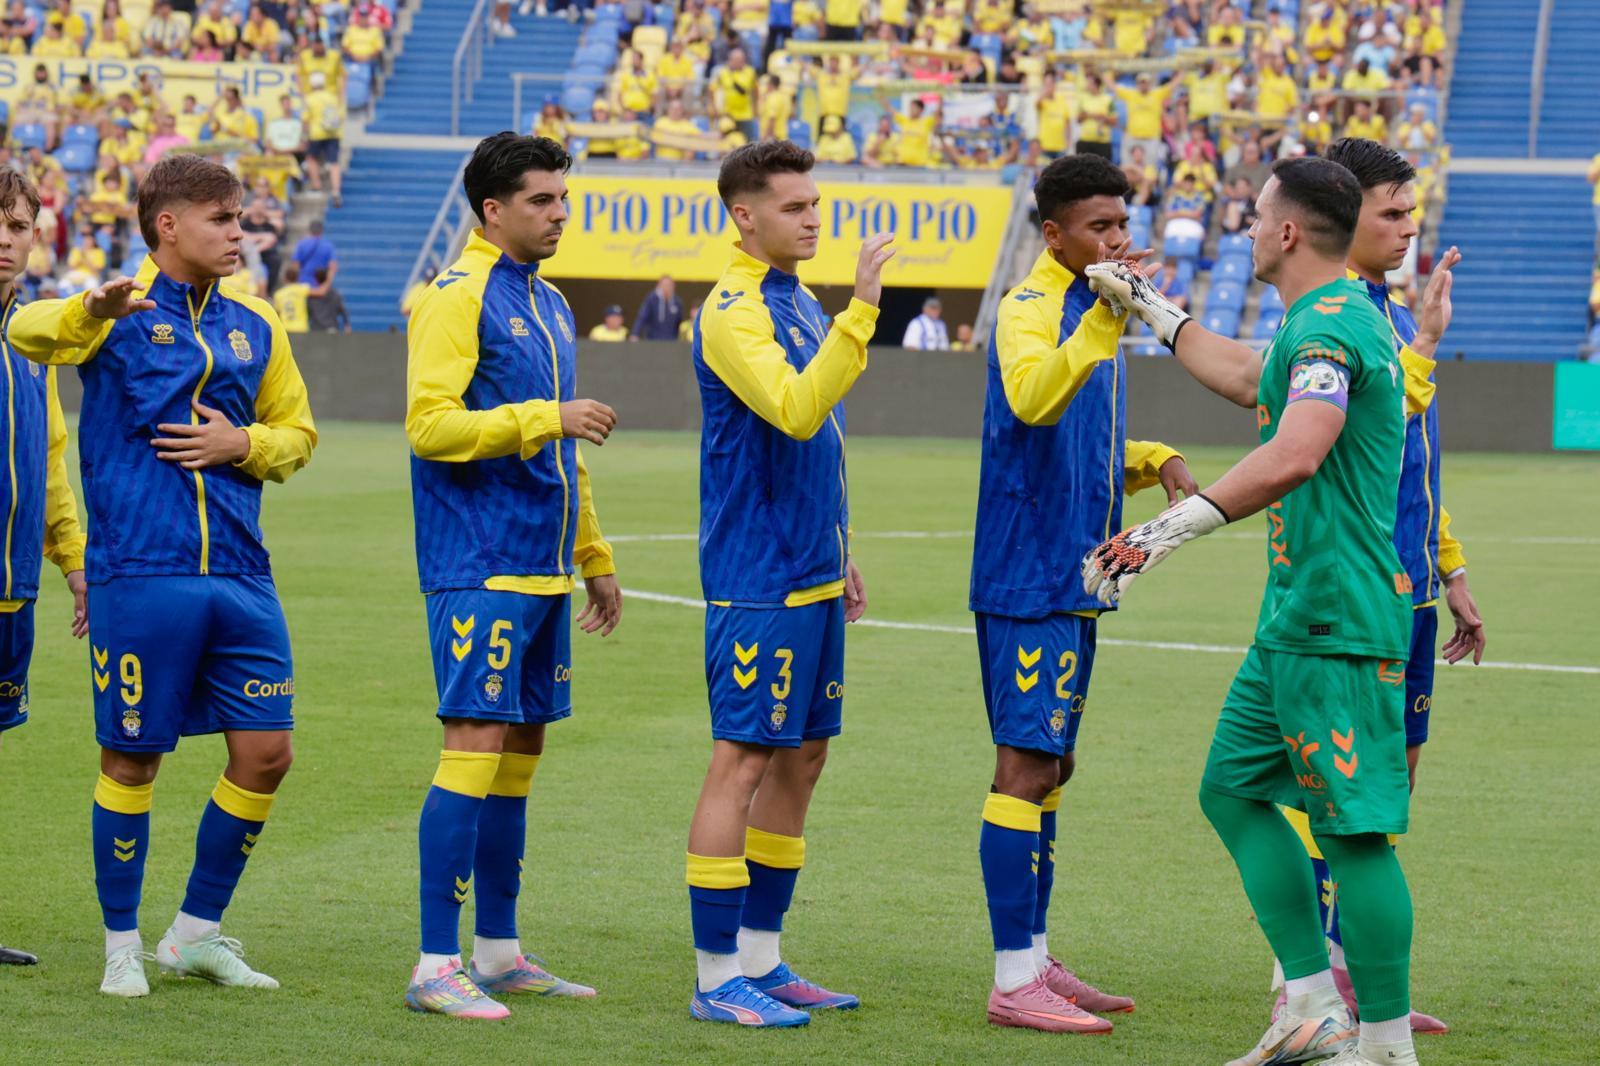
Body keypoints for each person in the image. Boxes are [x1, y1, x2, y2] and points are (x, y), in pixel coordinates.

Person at [1084, 156, 1427, 1066]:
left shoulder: (1332, 327)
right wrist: (1149, 306)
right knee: (1232, 790)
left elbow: (1298, 448)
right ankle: (1310, 1007)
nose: (1244, 229)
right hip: (1297, 618)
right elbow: (1245, 376)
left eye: (1255, 216)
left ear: (1286, 231)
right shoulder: (1317, 322)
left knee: (1354, 836)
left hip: (1336, 619)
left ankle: (1386, 1048)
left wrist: (1161, 533)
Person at [9, 153, 316, 998]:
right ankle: (120, 945)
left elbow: (297, 433)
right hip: (140, 572)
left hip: (244, 573)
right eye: (223, 218)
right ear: (169, 225)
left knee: (268, 754)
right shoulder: (115, 310)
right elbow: (25, 331)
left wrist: (242, 443)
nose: (240, 232)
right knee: (133, 759)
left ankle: (193, 935)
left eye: (241, 216)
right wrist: (89, 308)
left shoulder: (258, 321)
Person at [970, 154, 1191, 1034]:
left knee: (1054, 766)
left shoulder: (1090, 306)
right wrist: (1106, 317)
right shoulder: (1030, 308)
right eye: (1100, 228)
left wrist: (1152, 459)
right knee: (1024, 766)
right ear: (1055, 234)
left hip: (1080, 575)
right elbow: (1032, 402)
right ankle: (1011, 980)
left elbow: (1080, 442)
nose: (1118, 241)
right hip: (1029, 574)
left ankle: (1035, 956)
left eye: (1123, 225)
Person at [403, 132, 620, 1018]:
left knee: (519, 756)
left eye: (563, 199)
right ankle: (433, 965)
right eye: (541, 200)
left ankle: (496, 952)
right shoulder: (454, 296)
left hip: (542, 567)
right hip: (478, 561)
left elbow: (566, 450)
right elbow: (430, 427)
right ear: (492, 210)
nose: (560, 214)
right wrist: (544, 415)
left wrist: (593, 555)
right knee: (473, 749)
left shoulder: (550, 302)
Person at [1275, 136, 1484, 1037]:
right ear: (1338, 212)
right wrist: (1425, 348)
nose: (1407, 229)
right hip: (1353, 593)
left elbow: (1411, 466)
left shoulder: (1394, 317)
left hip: (1413, 592)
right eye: (1391, 213)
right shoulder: (1332, 320)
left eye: (1412, 212)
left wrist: (1452, 566)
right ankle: (1302, 981)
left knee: (1385, 796)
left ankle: (1354, 972)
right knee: (1333, 791)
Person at [685, 140, 893, 1028]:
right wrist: (863, 311)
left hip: (811, 568)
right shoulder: (733, 312)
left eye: (815, 205)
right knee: (741, 761)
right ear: (745, 216)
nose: (812, 220)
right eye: (794, 207)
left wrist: (839, 547)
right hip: (758, 576)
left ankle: (761, 960)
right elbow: (798, 410)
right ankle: (714, 977)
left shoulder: (797, 301)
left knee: (803, 757)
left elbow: (819, 446)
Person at [0, 169, 89, 970]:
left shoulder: (34, 343)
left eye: (17, 226)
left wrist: (74, 560)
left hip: (12, 591)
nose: (5, 239)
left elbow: (50, 460)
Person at [303, 71, 345, 207]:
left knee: (311, 159)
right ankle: (336, 191)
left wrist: (304, 135)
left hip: (316, 133)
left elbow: (305, 119)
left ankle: (317, 187)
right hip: (333, 133)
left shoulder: (310, 99)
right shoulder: (332, 97)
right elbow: (340, 114)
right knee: (334, 163)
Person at [292, 219, 337, 296]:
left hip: (303, 283)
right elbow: (333, 267)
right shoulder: (328, 246)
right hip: (320, 283)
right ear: (322, 231)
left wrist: (296, 284)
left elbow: (295, 265)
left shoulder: (302, 244)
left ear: (309, 230)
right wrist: (326, 286)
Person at [631, 275, 682, 341]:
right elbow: (642, 317)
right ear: (659, 286)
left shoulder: (677, 301)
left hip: (671, 339)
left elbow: (679, 322)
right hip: (653, 339)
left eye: (669, 285)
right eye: (664, 285)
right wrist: (635, 333)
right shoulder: (652, 299)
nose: (666, 288)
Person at [305, 267, 349, 332]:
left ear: (316, 279)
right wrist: (347, 324)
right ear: (326, 278)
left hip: (316, 329)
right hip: (331, 328)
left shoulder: (311, 295)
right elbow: (343, 310)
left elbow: (308, 313)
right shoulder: (335, 294)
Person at [272, 260, 309, 332]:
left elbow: (277, 314)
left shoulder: (278, 294)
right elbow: (321, 292)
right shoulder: (302, 289)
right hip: (301, 327)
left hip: (285, 328)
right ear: (297, 277)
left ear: (284, 278)